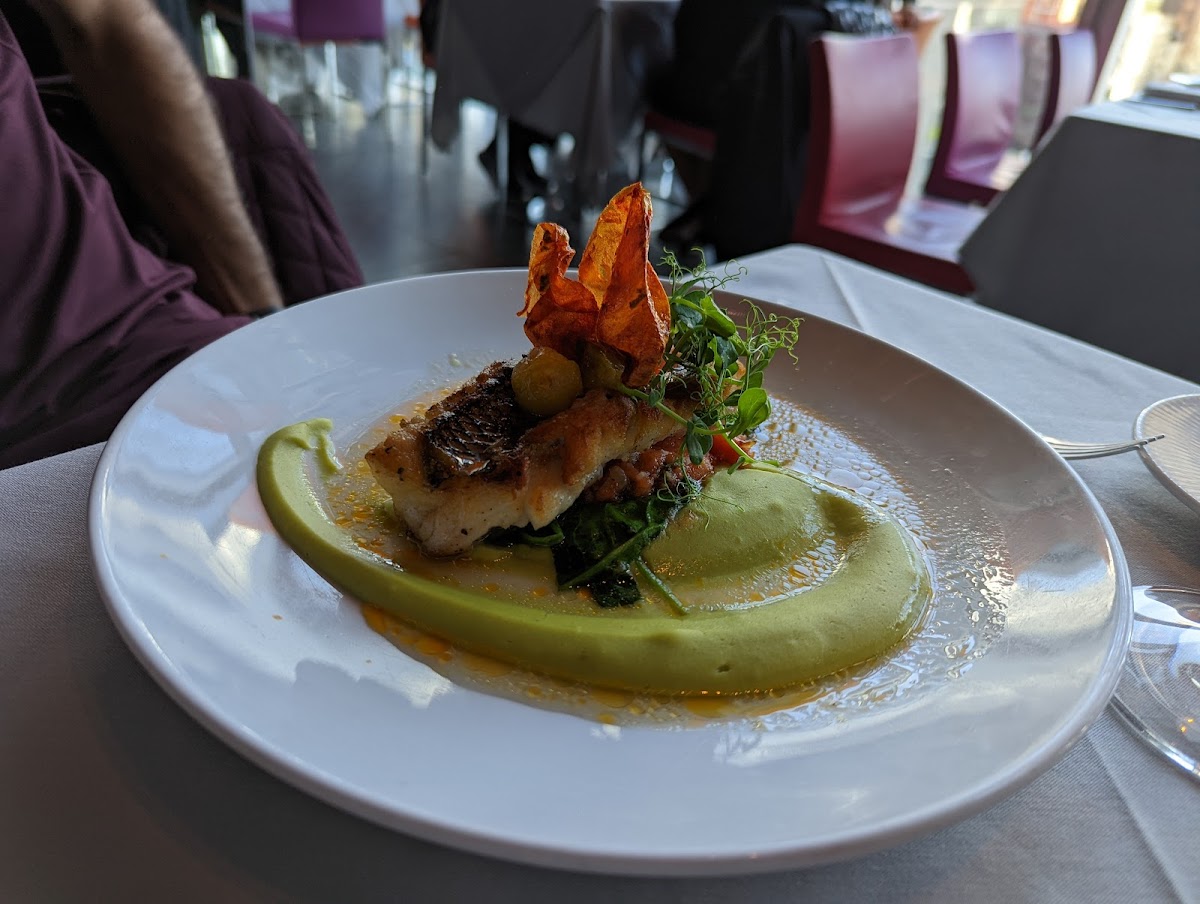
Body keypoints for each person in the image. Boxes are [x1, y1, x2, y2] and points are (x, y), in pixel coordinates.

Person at [0, 0, 363, 469]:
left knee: (241, 111)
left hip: (112, 338)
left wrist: (260, 323)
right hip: (62, 383)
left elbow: (106, 16)